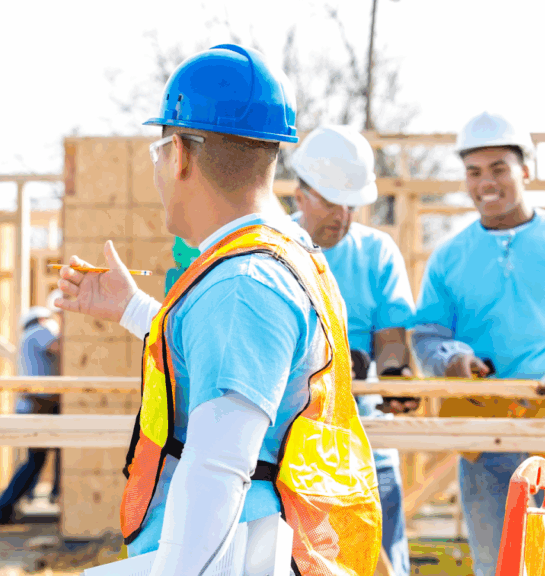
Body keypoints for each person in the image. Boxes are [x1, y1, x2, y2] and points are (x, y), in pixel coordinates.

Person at [56, 44, 381, 576]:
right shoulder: (276, 257)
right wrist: (136, 310)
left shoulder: (243, 284)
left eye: (159, 151)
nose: (158, 169)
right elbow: (228, 364)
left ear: (180, 153)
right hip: (253, 549)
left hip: (233, 556)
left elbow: (218, 468)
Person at [412, 111, 545, 576]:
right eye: (474, 172)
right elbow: (427, 334)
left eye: (499, 168)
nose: (486, 183)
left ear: (526, 170)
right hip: (484, 432)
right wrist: (453, 359)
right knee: (495, 564)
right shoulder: (449, 257)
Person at [290, 125, 417, 576]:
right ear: (300, 192)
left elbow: (390, 338)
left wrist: (395, 375)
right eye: (330, 201)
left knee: (385, 565)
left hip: (370, 443)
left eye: (351, 204)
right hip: (294, 450)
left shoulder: (377, 252)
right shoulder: (276, 248)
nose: (342, 216)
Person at [0, 296, 62, 525]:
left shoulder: (27, 337)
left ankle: (9, 507)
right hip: (37, 405)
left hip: (33, 405)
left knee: (37, 460)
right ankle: (2, 510)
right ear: (41, 319)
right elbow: (58, 346)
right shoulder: (39, 331)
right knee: (35, 461)